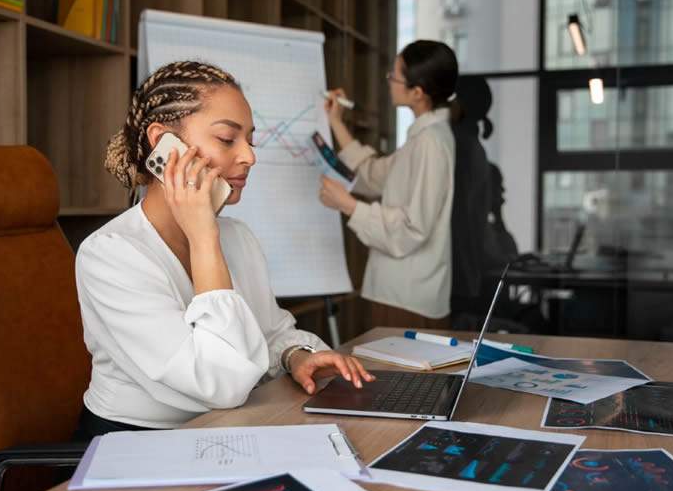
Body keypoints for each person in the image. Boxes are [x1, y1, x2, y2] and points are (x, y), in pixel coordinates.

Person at [73, 60, 374, 440]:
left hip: (226, 433)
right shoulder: (110, 255)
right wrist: (203, 239)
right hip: (136, 447)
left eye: (251, 140)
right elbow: (221, 384)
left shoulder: (238, 237)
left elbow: (268, 332)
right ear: (162, 142)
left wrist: (295, 357)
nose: (249, 156)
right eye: (228, 139)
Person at [318, 40, 458, 329]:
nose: (389, 82)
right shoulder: (423, 139)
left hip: (407, 299)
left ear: (417, 93)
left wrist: (348, 205)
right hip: (403, 294)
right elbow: (374, 174)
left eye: (394, 76)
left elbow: (413, 229)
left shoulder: (430, 143)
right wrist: (337, 123)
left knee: (399, 375)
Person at [450, 75, 493, 316]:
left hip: (456, 274)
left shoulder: (458, 147)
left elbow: (457, 217)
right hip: (468, 272)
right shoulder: (474, 148)